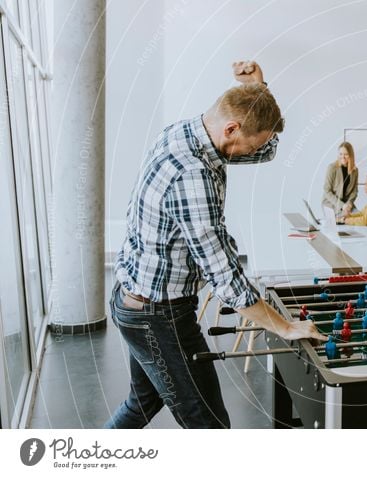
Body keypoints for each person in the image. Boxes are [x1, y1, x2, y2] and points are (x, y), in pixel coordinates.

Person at [106, 61, 326, 429]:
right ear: (231, 128)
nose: (247, 154)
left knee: (141, 404)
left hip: (135, 298)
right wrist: (284, 327)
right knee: (211, 426)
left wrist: (259, 89)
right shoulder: (192, 175)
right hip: (157, 317)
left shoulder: (185, 132)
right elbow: (225, 277)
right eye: (245, 146)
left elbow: (264, 149)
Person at [321, 142, 358, 215]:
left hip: (347, 205)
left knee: (360, 218)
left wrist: (349, 204)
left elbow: (354, 191)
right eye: (341, 154)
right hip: (332, 204)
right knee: (343, 220)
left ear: (350, 155)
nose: (343, 157)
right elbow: (327, 190)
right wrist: (342, 205)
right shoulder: (332, 168)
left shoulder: (355, 171)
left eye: (346, 154)